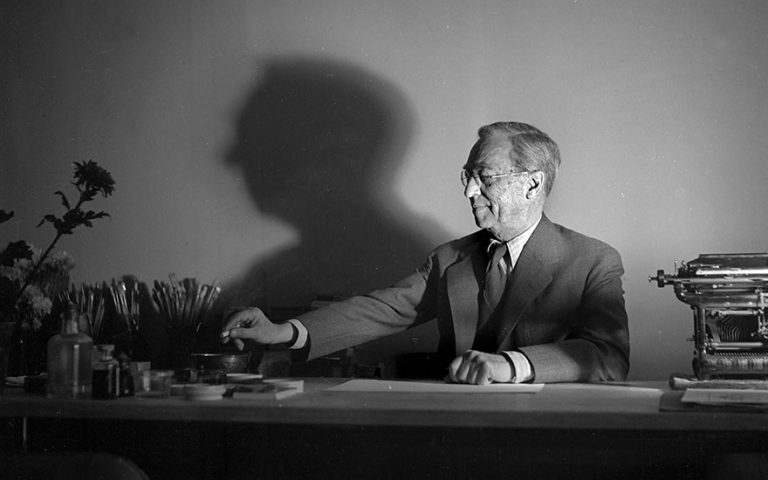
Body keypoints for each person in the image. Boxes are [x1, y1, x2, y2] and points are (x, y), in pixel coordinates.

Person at [222, 121, 629, 384]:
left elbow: (608, 356)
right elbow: (382, 309)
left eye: (484, 177)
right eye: (467, 176)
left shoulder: (593, 260)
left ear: (532, 184)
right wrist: (284, 331)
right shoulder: (449, 258)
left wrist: (511, 365)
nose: (469, 191)